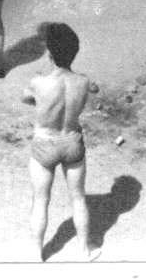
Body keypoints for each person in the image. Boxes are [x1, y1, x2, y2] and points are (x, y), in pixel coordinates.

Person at [25, 22, 100, 261]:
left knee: (40, 200)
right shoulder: (84, 81)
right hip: (71, 142)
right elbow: (94, 88)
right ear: (74, 53)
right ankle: (84, 251)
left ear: (49, 52)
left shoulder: (38, 81)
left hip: (45, 143)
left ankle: (37, 254)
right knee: (78, 197)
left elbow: (27, 98)